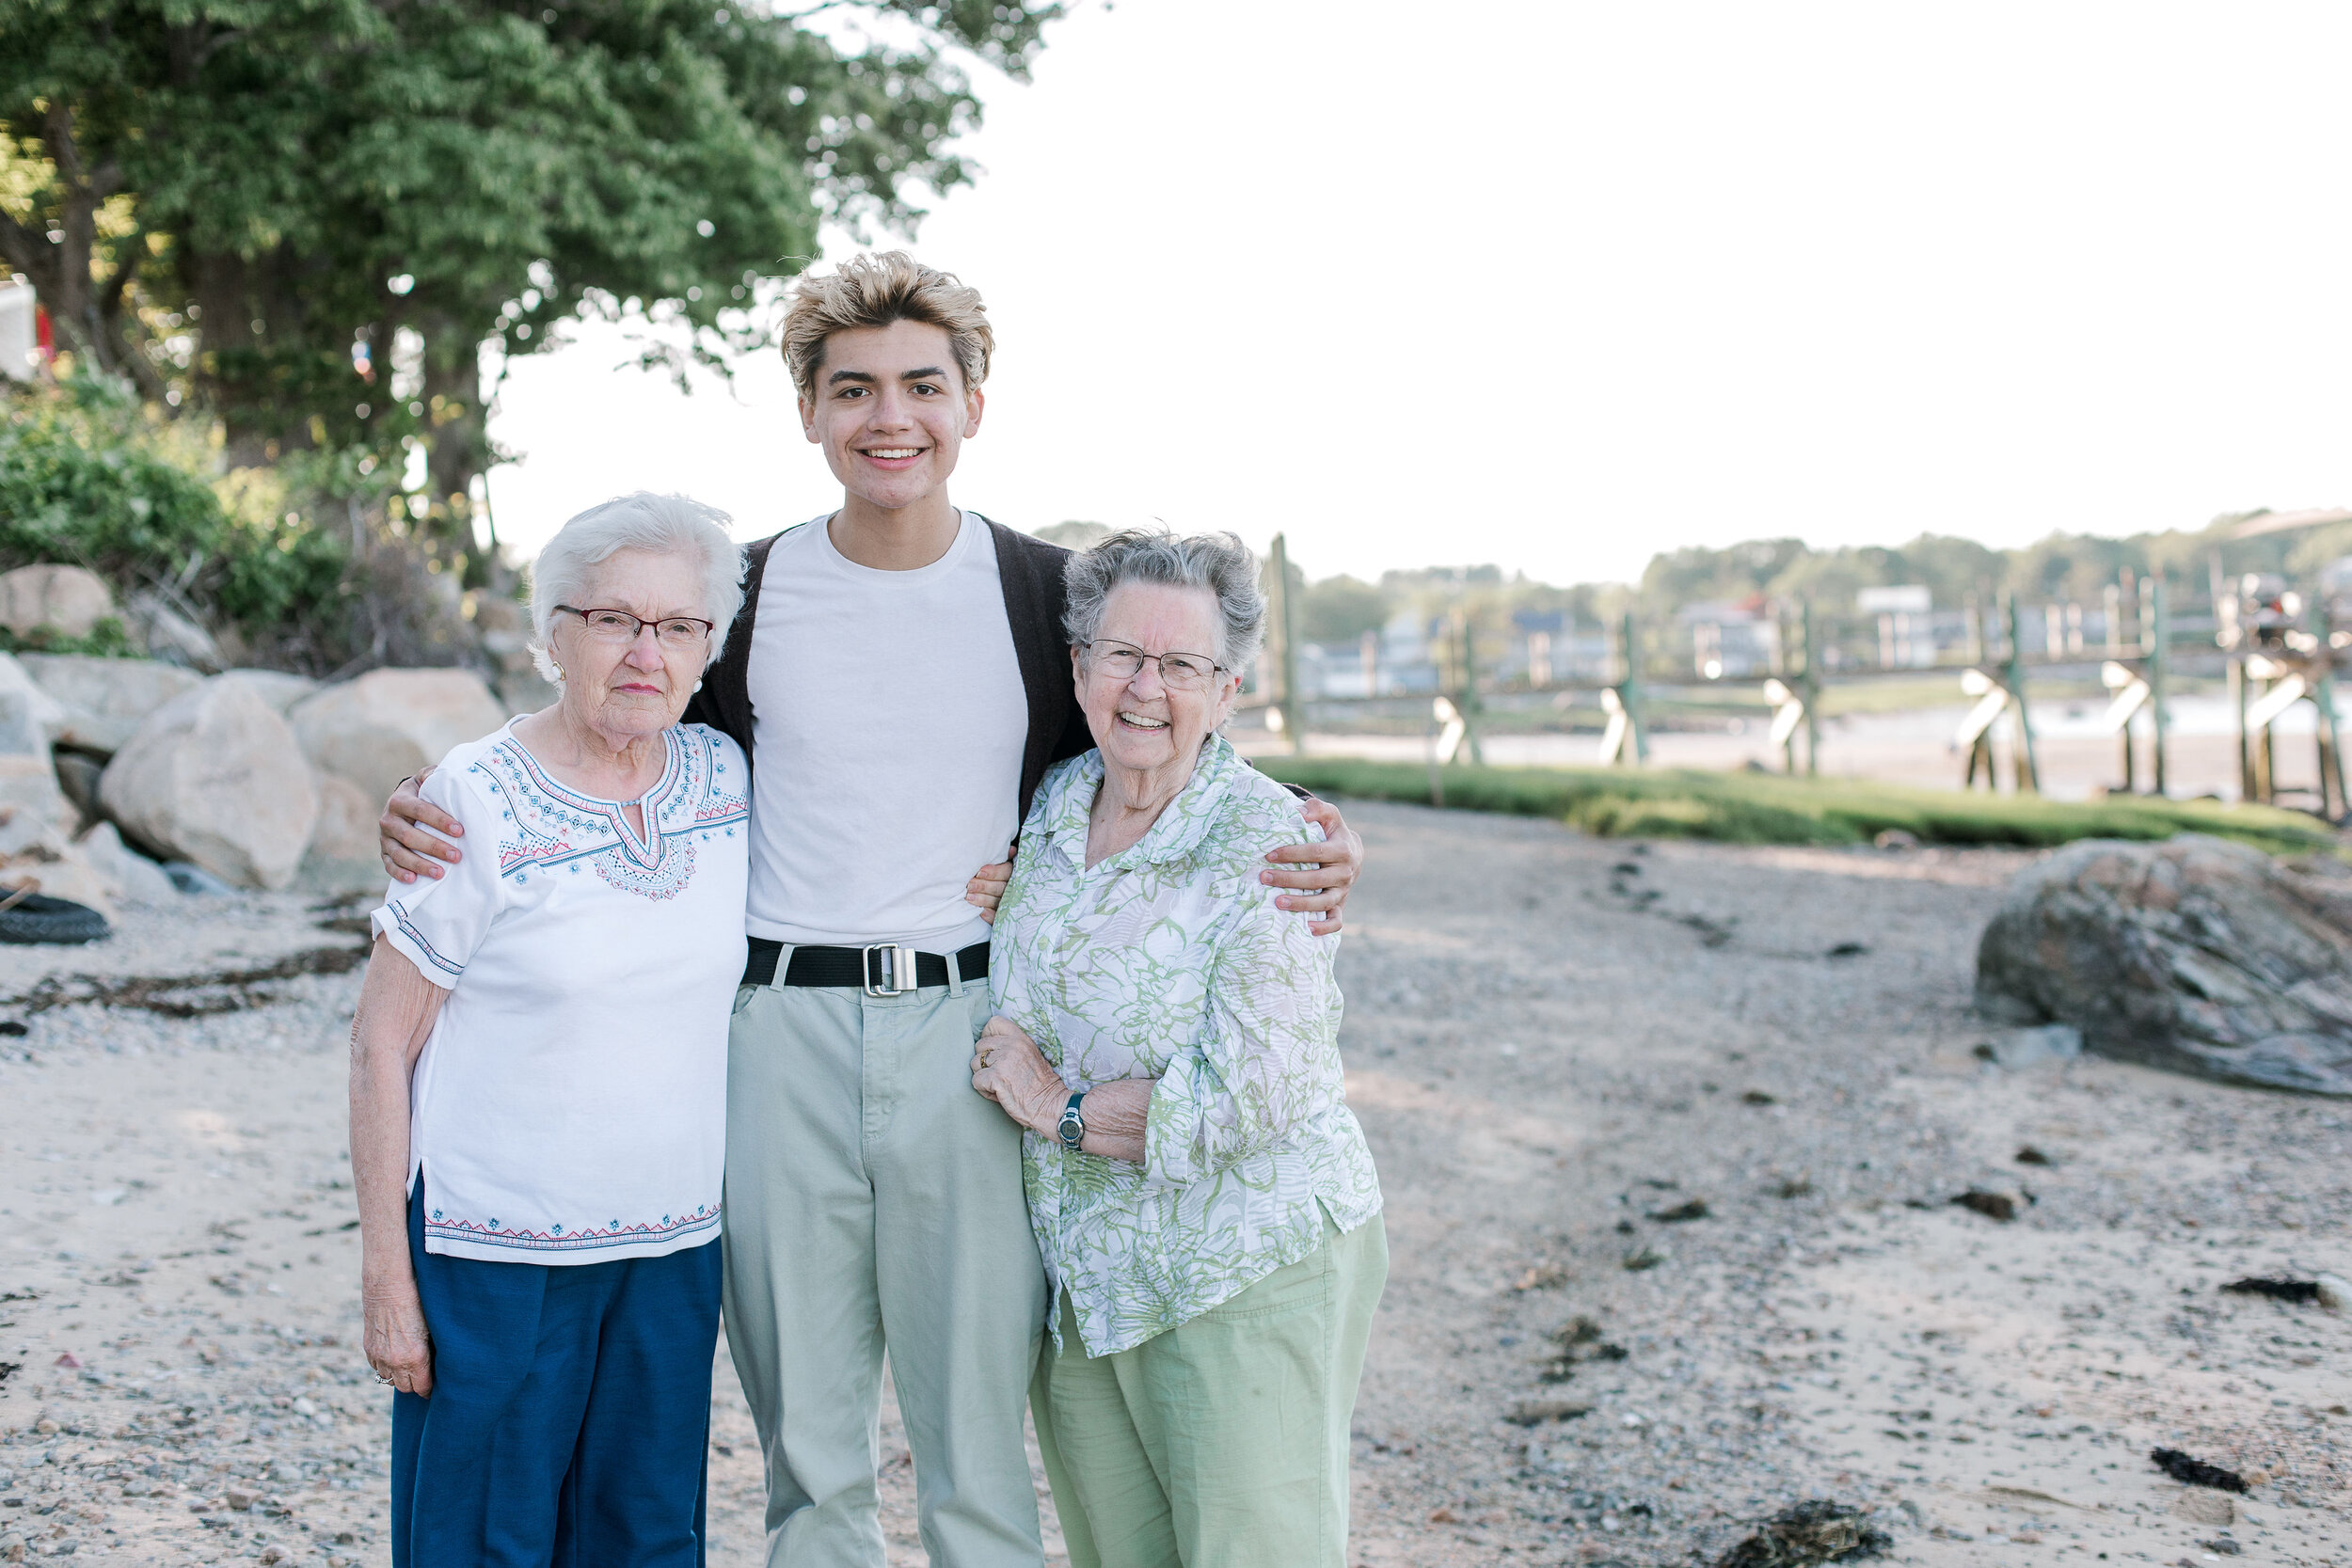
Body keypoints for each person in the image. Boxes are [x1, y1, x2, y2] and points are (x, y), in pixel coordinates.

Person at [376, 251, 1366, 1568]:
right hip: (772, 1037)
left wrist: (1321, 832)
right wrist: (430, 790)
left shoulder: (1043, 592)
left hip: (967, 1033)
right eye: (852, 388)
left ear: (972, 403)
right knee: (812, 1461)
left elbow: (1167, 716)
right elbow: (614, 719)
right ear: (809, 412)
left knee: (974, 1458)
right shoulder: (751, 591)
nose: (888, 416)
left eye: (921, 384)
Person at [969, 528, 1385, 1568]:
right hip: (1091, 1282)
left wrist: (1051, 1103)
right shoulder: (1053, 803)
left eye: (1182, 664)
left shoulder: (1274, 843)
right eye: (1121, 655)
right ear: (1078, 668)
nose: (1147, 686)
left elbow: (1248, 1097)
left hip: (1240, 1264)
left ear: (1227, 687)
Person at [349, 493, 750, 1567]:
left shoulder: (727, 781)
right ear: (554, 631)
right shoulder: (473, 796)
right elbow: (381, 1041)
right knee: (482, 1539)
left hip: (670, 1250)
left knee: (646, 1537)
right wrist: (388, 1275)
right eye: (612, 618)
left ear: (707, 647)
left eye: (675, 627)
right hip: (496, 1251)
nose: (643, 651)